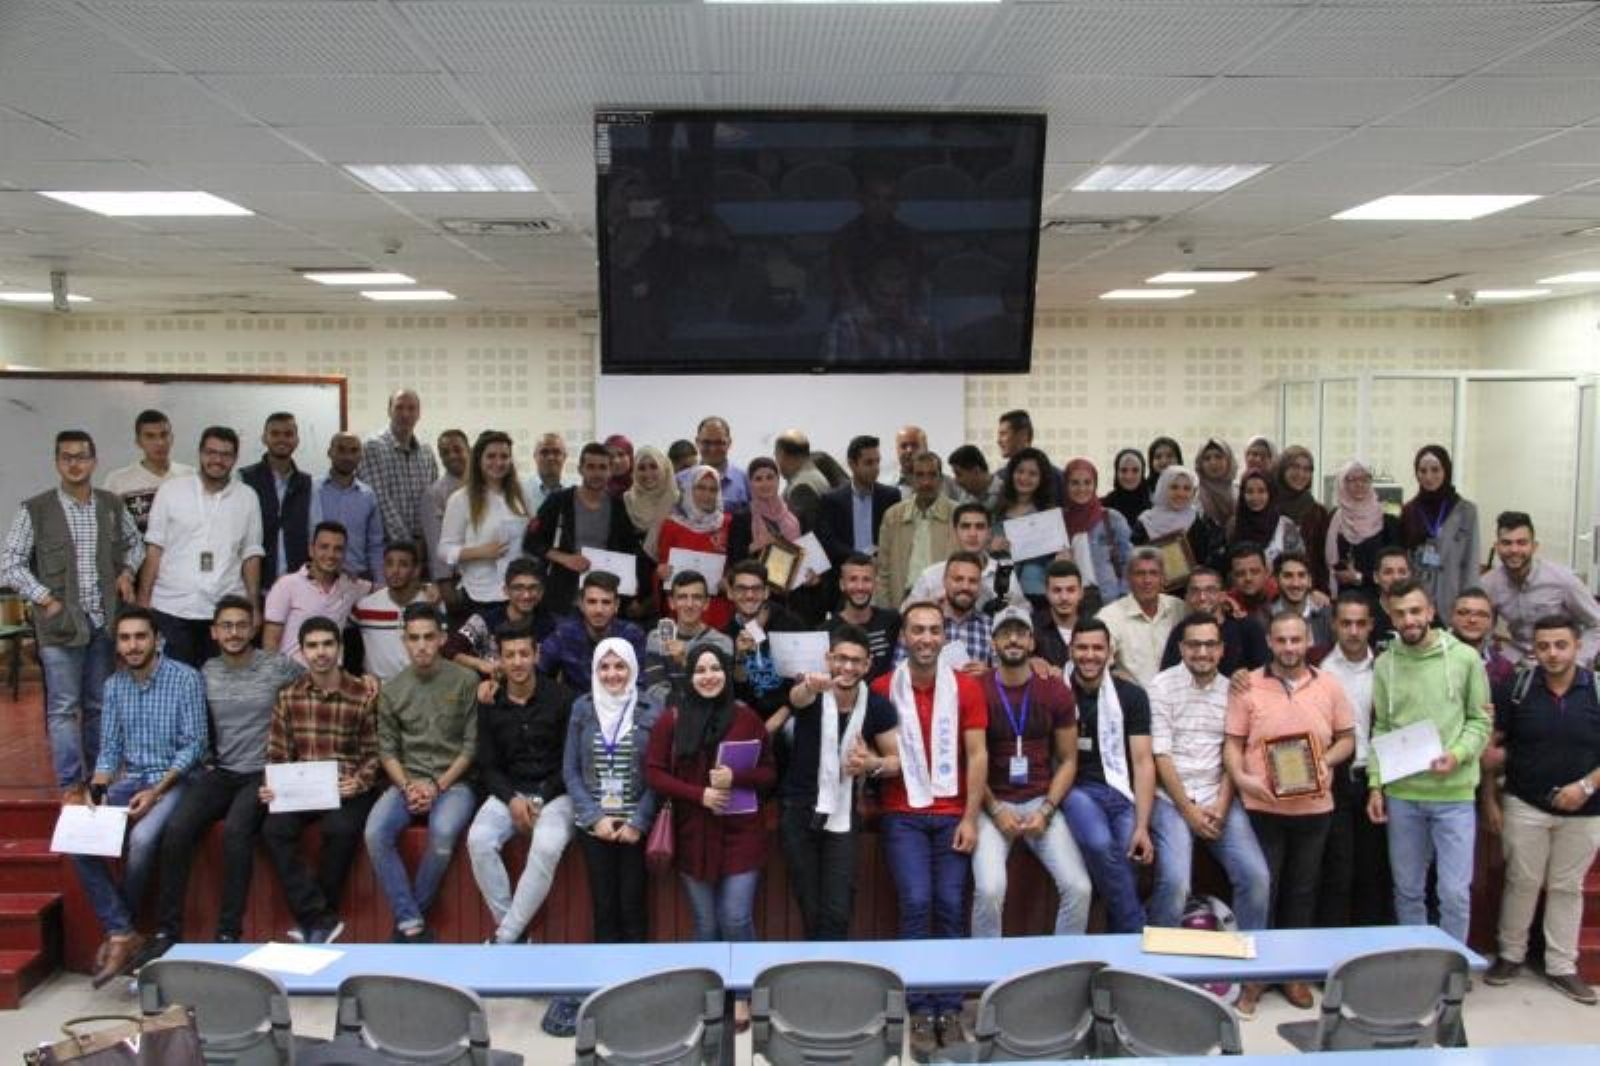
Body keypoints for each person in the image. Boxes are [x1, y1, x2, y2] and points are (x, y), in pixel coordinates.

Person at [149, 595, 304, 955]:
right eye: (226, 626)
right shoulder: (205, 673)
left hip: (264, 772)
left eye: (241, 625)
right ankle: (167, 932)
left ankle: (228, 933)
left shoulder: (277, 666)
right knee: (177, 830)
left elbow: (316, 682)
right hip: (221, 772)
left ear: (253, 629)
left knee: (236, 832)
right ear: (214, 632)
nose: (234, 633)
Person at [872, 600, 988, 1054]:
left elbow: (976, 755)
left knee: (950, 905)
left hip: (952, 812)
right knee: (917, 903)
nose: (925, 638)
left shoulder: (967, 688)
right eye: (917, 630)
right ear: (903, 636)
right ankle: (920, 1007)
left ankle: (950, 1007)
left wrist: (971, 818)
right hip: (902, 813)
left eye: (933, 630)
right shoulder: (882, 688)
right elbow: (872, 751)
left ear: (944, 637)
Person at [1225, 611, 1355, 1011]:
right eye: (1281, 640)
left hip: (1314, 809)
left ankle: (1291, 973)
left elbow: (1347, 739)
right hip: (1262, 806)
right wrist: (1242, 779)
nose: (1288, 647)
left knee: (1302, 891)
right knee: (1264, 891)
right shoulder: (1247, 685)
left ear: (1308, 640)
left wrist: (1325, 761)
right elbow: (1232, 743)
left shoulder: (1329, 685)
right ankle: (1254, 976)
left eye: (1295, 640)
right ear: (1269, 641)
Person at [2, 429, 142, 798]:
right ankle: (70, 785)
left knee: (99, 706)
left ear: (94, 461)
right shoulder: (35, 509)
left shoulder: (111, 506)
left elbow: (136, 544)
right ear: (56, 462)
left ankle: (99, 780)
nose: (74, 464)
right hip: (59, 626)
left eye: (81, 456)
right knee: (63, 709)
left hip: (104, 624)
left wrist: (127, 572)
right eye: (67, 457)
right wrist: (45, 599)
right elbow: (9, 563)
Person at [74, 607, 206, 986]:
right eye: (125, 638)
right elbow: (110, 749)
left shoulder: (185, 678)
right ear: (117, 645)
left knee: (144, 839)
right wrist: (98, 788)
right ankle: (122, 931)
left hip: (177, 779)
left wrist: (155, 792)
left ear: (156, 640)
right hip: (131, 780)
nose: (133, 646)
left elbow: (194, 746)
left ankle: (120, 933)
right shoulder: (114, 686)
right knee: (77, 837)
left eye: (140, 637)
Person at [1147, 612, 1271, 1011]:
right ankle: (1160, 975)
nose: (1202, 652)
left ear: (1221, 649)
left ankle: (1246, 975)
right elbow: (1160, 755)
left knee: (1256, 877)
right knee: (1175, 882)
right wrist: (1188, 810)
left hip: (1220, 797)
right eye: (1194, 644)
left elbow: (1232, 755)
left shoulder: (1232, 690)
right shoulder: (1161, 686)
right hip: (1172, 800)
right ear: (1182, 648)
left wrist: (1220, 804)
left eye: (1209, 645)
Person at [1482, 616, 1600, 1005]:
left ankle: (1562, 966)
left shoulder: (1597, 689)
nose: (1552, 653)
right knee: (1521, 881)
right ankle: (1510, 955)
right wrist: (1489, 799)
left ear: (1577, 646)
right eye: (1544, 646)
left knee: (1568, 887)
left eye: (1560, 645)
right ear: (1534, 649)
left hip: (1586, 809)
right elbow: (1492, 749)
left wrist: (1585, 787)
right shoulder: (1516, 689)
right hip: (1524, 804)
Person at [1366, 580, 1492, 946]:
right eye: (1400, 613)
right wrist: (1376, 784)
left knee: (1454, 893)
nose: (1409, 619)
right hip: (1403, 796)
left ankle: (1453, 966)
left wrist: (1458, 754)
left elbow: (1480, 721)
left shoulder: (1465, 659)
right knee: (1408, 891)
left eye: (1415, 611)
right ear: (1390, 617)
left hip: (1454, 795)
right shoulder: (1385, 664)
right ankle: (1417, 961)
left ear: (1431, 612)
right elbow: (1382, 726)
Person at [260, 615, 380, 945]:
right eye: (312, 646)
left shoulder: (363, 694)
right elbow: (278, 751)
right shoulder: (289, 695)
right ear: (302, 652)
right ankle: (319, 918)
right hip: (302, 789)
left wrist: (359, 782)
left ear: (339, 648)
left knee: (339, 829)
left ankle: (316, 922)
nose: (321, 652)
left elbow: (374, 753)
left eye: (327, 644)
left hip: (347, 786)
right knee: (273, 829)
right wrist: (274, 785)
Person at [972, 608, 1092, 939]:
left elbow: (1068, 760)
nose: (1013, 639)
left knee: (1079, 888)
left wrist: (1047, 809)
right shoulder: (977, 689)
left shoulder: (1054, 690)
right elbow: (970, 761)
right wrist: (995, 809)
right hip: (991, 803)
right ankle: (982, 969)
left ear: (1031, 641)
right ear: (993, 642)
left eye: (1020, 633)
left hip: (1040, 800)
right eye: (1005, 633)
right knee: (989, 890)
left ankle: (1062, 963)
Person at [645, 645, 775, 947]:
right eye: (700, 670)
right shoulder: (672, 719)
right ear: (689, 676)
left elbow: (769, 773)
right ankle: (710, 980)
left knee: (735, 918)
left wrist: (736, 777)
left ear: (727, 673)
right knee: (706, 923)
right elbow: (654, 773)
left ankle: (746, 979)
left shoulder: (747, 719)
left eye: (715, 668)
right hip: (693, 834)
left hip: (741, 833)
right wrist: (699, 794)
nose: (708, 676)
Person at [366, 602, 479, 943]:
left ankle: (408, 921)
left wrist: (437, 787)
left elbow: (470, 746)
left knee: (442, 834)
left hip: (454, 782)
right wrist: (408, 786)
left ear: (442, 638)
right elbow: (387, 750)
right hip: (407, 781)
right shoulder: (392, 689)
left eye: (429, 637)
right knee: (374, 833)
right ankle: (412, 922)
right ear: (404, 641)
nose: (422, 645)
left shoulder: (466, 680)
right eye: (414, 638)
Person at [782, 625, 901, 939]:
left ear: (868, 665)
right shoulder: (813, 691)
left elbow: (897, 762)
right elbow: (797, 698)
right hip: (799, 808)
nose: (847, 667)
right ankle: (817, 968)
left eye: (856, 661)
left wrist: (871, 764)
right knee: (810, 906)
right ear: (828, 659)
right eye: (841, 659)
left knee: (838, 909)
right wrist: (810, 685)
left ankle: (833, 967)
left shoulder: (877, 706)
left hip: (844, 812)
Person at [467, 624, 576, 953]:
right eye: (510, 655)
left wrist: (540, 798)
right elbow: (487, 765)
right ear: (499, 659)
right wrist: (512, 799)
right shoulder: (490, 701)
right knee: (478, 840)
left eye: (524, 653)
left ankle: (504, 938)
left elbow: (570, 763)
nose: (517, 662)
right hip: (509, 792)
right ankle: (513, 934)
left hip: (557, 794)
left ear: (537, 655)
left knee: (546, 846)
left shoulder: (562, 698)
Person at [564, 638, 664, 947]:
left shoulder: (652, 709)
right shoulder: (582, 708)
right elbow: (570, 771)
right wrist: (595, 818)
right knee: (604, 907)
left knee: (633, 906)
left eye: (620, 666)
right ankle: (606, 975)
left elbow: (660, 773)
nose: (612, 674)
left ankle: (637, 976)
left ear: (632, 668)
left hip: (636, 826)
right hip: (595, 826)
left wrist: (638, 822)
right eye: (604, 667)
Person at [138, 426, 264, 667]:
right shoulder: (171, 491)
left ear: (235, 458)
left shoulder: (247, 497)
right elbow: (154, 548)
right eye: (211, 452)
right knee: (175, 682)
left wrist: (254, 606)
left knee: (218, 683)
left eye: (226, 454)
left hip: (224, 610)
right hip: (171, 607)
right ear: (200, 453)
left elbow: (251, 555)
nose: (217, 460)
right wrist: (144, 600)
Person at [1059, 619, 1156, 935]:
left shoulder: (1132, 696)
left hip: (1119, 790)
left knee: (1129, 856)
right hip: (1076, 789)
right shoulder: (1057, 691)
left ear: (1110, 652)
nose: (1089, 655)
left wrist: (1142, 826)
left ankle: (1118, 949)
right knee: (1100, 844)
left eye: (1097, 648)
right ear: (1070, 650)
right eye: (1082, 648)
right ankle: (1137, 931)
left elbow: (1143, 762)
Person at [1316, 591, 1393, 928]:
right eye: (1346, 623)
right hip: (1335, 777)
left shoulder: (1387, 666)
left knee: (1374, 871)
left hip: (1377, 777)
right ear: (1334, 624)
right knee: (1337, 870)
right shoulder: (1318, 667)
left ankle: (1371, 949)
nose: (1353, 631)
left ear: (1371, 625)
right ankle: (1331, 949)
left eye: (1361, 623)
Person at [526, 441, 645, 616]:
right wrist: (564, 558)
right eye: (591, 467)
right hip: (564, 599)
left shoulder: (617, 506)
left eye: (602, 467)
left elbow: (630, 548)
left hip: (603, 600)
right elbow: (531, 541)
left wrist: (633, 584)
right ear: (580, 469)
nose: (596, 473)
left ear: (610, 471)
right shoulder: (559, 501)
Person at [1480, 511, 1600, 665]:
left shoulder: (1563, 580)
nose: (1514, 550)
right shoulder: (1488, 584)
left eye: (1522, 543)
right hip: (1520, 659)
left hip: (1560, 660)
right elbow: (1482, 630)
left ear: (1534, 546)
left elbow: (1596, 623)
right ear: (1497, 547)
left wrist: (1578, 662)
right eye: (1507, 543)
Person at [438, 430, 530, 614]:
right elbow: (444, 550)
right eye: (491, 456)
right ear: (478, 459)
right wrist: (479, 552)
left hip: (517, 595)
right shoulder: (461, 499)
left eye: (504, 456)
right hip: (480, 595)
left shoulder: (521, 495)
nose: (499, 462)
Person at [262, 522, 369, 660]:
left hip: (331, 672)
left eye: (338, 549)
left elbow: (387, 587)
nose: (331, 554)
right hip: (292, 671)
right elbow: (270, 642)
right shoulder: (286, 585)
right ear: (311, 550)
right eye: (324, 547)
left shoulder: (350, 586)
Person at [724, 560, 809, 730]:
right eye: (741, 589)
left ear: (766, 592)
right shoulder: (726, 634)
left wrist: (777, 720)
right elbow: (736, 693)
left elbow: (804, 682)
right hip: (747, 714)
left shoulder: (791, 625)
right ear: (730, 593)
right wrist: (740, 656)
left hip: (788, 712)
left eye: (756, 589)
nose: (749, 595)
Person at [447, 558, 557, 683]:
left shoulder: (550, 626)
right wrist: (482, 665)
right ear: (506, 591)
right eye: (518, 588)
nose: (526, 595)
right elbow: (450, 650)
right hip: (488, 688)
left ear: (541, 592)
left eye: (533, 588)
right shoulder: (485, 620)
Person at [1400, 445, 1478, 618]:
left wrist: (1470, 602)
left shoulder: (1466, 511)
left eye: (1435, 470)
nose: (1429, 477)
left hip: (1454, 596)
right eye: (1423, 471)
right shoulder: (1409, 511)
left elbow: (1472, 559)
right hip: (1420, 597)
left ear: (1446, 470)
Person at [655, 465, 734, 629]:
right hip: (683, 609)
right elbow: (661, 568)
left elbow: (735, 565)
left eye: (713, 489)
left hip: (718, 609)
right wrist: (661, 573)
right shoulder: (671, 526)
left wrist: (729, 581)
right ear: (689, 489)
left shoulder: (728, 524)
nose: (707, 494)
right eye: (701, 488)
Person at [239, 412, 312, 591]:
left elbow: (313, 531)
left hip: (299, 585)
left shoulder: (308, 483)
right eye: (275, 434)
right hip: (256, 585)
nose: (282, 439)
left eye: (288, 434)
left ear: (297, 440)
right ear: (264, 438)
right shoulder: (245, 479)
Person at [539, 571, 647, 691]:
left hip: (621, 700)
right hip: (576, 701)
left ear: (616, 605)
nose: (599, 610)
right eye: (592, 602)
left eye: (606, 602)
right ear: (581, 604)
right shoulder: (564, 634)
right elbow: (539, 673)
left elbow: (639, 683)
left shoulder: (632, 635)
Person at [360, 388, 439, 548]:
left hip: (423, 546)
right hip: (387, 548)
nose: (405, 414)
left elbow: (432, 500)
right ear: (389, 411)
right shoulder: (373, 447)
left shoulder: (426, 452)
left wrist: (427, 540)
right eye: (399, 407)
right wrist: (408, 546)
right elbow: (381, 501)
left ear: (419, 414)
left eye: (411, 408)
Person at [1160, 566, 1269, 681]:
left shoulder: (1246, 627)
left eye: (1210, 590)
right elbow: (1167, 678)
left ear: (1222, 596)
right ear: (1187, 597)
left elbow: (1265, 672)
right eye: (1195, 591)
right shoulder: (1180, 632)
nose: (1202, 597)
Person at [643, 570, 735, 704]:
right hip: (668, 714)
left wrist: (686, 662)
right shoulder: (656, 637)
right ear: (671, 602)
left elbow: (718, 693)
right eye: (682, 597)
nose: (689, 604)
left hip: (707, 714)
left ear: (706, 603)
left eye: (696, 597)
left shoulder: (722, 642)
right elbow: (654, 690)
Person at [875, 451, 954, 608]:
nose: (926, 482)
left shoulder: (957, 514)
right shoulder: (893, 516)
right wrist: (886, 611)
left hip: (944, 602)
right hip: (901, 602)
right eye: (920, 475)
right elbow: (883, 571)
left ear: (941, 479)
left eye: (932, 475)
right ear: (910, 478)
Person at [1098, 547, 1186, 685]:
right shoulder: (1110, 616)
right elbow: (1097, 658)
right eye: (1140, 574)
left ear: (1163, 578)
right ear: (1128, 578)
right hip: (1136, 696)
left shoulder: (1179, 608)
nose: (1147, 580)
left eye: (1153, 573)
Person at [896, 552, 994, 673]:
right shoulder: (918, 623)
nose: (965, 586)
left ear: (980, 586)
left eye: (973, 581)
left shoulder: (991, 627)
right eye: (958, 579)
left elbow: (1005, 677)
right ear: (944, 581)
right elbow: (897, 671)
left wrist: (989, 675)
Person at [101, 409, 194, 534]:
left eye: (164, 435)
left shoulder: (190, 476)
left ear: (172, 438)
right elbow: (106, 530)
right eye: (150, 436)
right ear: (138, 442)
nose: (159, 443)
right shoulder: (117, 481)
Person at [309, 432, 385, 582]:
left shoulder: (368, 495)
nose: (348, 457)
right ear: (329, 452)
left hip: (358, 578)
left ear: (361, 455)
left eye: (354, 451)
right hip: (319, 576)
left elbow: (375, 544)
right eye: (341, 449)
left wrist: (380, 582)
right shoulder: (311, 490)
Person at [818, 434, 900, 567]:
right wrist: (863, 559)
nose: (876, 468)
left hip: (881, 570)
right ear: (852, 464)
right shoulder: (832, 500)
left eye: (877, 461)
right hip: (845, 570)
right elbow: (830, 542)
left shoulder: (890, 496)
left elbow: (896, 537)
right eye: (869, 463)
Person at [352, 541, 430, 682]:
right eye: (389, 564)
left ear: (416, 570)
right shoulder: (365, 607)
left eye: (403, 565)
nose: (395, 570)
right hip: (379, 688)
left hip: (421, 686)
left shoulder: (430, 603)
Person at [992, 447, 1059, 607]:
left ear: (1042, 478)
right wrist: (990, 549)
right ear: (1011, 473)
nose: (1024, 478)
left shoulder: (1049, 516)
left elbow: (1056, 563)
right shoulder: (995, 511)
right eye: (1020, 471)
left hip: (1038, 597)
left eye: (1032, 474)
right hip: (1000, 595)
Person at [1062, 458, 1134, 609]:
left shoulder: (1111, 518)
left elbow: (1129, 560)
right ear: (1066, 485)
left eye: (1087, 482)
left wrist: (1124, 596)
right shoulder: (1059, 522)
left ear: (1095, 484)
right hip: (1070, 601)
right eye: (1074, 483)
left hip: (1108, 598)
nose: (1081, 488)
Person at [1132, 465, 1226, 575]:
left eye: (1187, 488)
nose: (1180, 493)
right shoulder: (1146, 521)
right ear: (1163, 488)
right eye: (1174, 487)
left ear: (1194, 492)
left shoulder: (1201, 521)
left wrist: (1201, 570)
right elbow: (1135, 559)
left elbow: (1214, 557)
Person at [1326, 460, 1400, 595]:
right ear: (1342, 484)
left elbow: (1394, 568)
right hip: (1341, 597)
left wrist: (1359, 577)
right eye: (1352, 480)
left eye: (1365, 479)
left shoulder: (1387, 522)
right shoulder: (1334, 518)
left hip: (1377, 597)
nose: (1359, 484)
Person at [826, 553, 901, 681]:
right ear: (842, 584)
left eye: (866, 580)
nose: (860, 587)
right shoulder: (826, 630)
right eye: (853, 579)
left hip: (885, 693)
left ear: (875, 584)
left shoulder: (893, 621)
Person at [1274, 445, 1331, 591]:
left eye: (1307, 469)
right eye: (1295, 467)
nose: (1301, 474)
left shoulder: (1317, 512)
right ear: (1282, 469)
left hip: (1305, 589)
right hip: (1270, 588)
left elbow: (1320, 560)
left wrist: (1319, 590)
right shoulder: (1267, 506)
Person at [421, 429, 469, 587]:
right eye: (445, 452)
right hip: (456, 578)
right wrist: (444, 582)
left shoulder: (485, 487)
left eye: (457, 449)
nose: (452, 456)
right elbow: (436, 543)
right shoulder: (434, 494)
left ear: (468, 450)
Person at [676, 416, 750, 512]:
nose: (713, 449)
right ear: (697, 442)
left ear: (729, 443)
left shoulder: (745, 480)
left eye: (719, 443)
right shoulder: (680, 481)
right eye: (706, 442)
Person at [1231, 470, 1303, 566]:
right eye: (1249, 492)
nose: (1255, 497)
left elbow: (1298, 562)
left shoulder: (1285, 525)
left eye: (1261, 491)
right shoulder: (1233, 525)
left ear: (1270, 493)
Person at [1450, 587, 1518, 691]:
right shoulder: (1431, 654)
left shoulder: (1503, 668)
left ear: (1492, 622)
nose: (1472, 620)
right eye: (1464, 613)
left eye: (1482, 615)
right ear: (1451, 617)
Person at [622, 444, 679, 561]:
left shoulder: (678, 501)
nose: (648, 473)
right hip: (636, 568)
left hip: (671, 567)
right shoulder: (627, 501)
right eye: (641, 468)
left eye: (654, 466)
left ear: (664, 468)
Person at [1030, 560, 1083, 670]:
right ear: (1046, 593)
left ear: (1081, 592)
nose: (1064, 597)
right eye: (1057, 590)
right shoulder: (1031, 627)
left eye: (1071, 590)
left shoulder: (1095, 626)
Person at [1272, 551, 1332, 648]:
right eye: (1288, 576)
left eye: (1301, 575)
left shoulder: (1328, 616)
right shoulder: (1264, 618)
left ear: (1310, 581)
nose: (1295, 583)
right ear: (1276, 580)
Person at [773, 430, 830, 530]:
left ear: (783, 455)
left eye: (776, 456)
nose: (776, 463)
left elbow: (802, 530)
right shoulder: (814, 475)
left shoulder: (801, 487)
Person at [1226, 542, 1277, 627]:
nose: (1248, 578)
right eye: (1240, 573)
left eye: (1254, 572)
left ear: (1267, 572)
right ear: (1232, 577)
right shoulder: (1227, 604)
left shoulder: (1281, 594)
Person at [1194, 439, 1238, 529]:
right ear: (1200, 464)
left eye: (1218, 457)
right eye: (1207, 458)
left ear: (1229, 461)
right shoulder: (1193, 495)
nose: (1213, 462)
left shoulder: (1242, 492)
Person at [1101, 448, 1151, 528]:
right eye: (1123, 470)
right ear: (1116, 472)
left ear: (1142, 472)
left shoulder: (1153, 504)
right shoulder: (1105, 505)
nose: (1129, 476)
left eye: (1135, 470)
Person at [524, 433, 572, 513]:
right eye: (544, 452)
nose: (550, 457)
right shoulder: (521, 492)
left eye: (556, 452)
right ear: (535, 456)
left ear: (565, 457)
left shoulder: (575, 493)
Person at [947, 444, 998, 511]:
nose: (956, 481)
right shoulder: (965, 496)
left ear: (976, 471)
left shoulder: (1004, 493)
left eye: (959, 474)